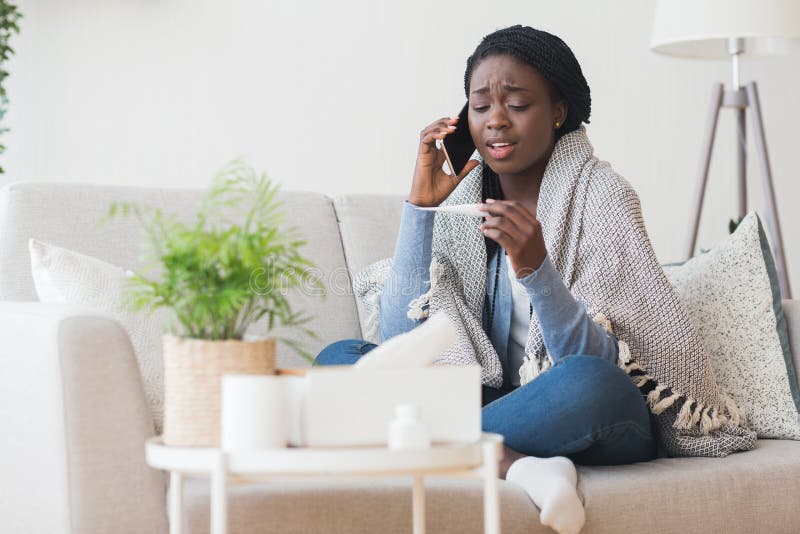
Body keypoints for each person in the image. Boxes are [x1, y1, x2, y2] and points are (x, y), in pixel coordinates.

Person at [315, 25, 754, 534]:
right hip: (495, 404)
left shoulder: (603, 197)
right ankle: (514, 464)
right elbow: (399, 336)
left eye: (518, 104)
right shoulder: (460, 207)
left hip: (586, 410)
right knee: (340, 360)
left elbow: (598, 361)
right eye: (480, 107)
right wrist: (421, 211)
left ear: (559, 111)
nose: (496, 120)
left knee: (591, 383)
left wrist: (536, 269)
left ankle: (416, 445)